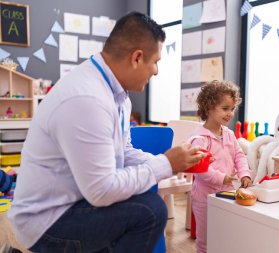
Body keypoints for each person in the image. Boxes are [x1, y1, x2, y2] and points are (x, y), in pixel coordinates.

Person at [8, 11, 206, 253]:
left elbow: (123, 152)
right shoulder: (87, 98)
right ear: (137, 58)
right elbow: (101, 191)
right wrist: (164, 164)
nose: (156, 71)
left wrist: (173, 162)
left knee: (141, 201)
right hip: (45, 219)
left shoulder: (118, 96)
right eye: (155, 62)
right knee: (149, 211)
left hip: (74, 200)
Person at [190, 80, 252, 253]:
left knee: (225, 236)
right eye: (225, 109)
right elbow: (201, 169)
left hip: (227, 194)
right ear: (209, 107)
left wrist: (244, 174)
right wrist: (222, 177)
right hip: (205, 197)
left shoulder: (229, 135)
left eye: (232, 109)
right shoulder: (200, 138)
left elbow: (239, 156)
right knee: (206, 241)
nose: (230, 114)